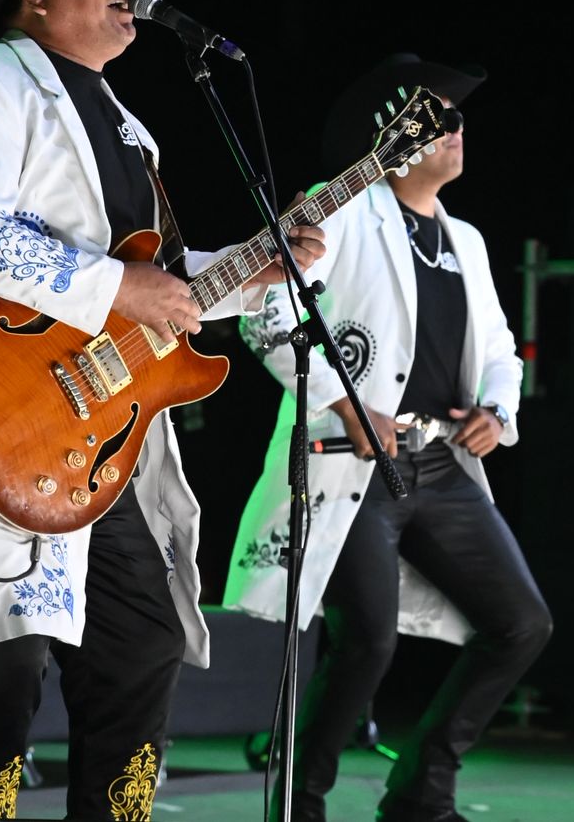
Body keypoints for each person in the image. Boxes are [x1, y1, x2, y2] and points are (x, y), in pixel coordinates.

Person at [0, 0, 326, 820]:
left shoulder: (126, 122)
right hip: (5, 415)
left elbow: (152, 278)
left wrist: (252, 270)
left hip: (102, 429)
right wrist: (125, 288)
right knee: (1, 675)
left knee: (141, 644)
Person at [226, 54, 553, 822]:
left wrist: (498, 412)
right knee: (367, 642)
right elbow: (265, 315)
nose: (457, 130)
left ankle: (422, 788)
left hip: (439, 463)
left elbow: (502, 350)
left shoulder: (464, 239)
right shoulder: (339, 212)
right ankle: (300, 804)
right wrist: (345, 403)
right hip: (354, 464)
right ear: (392, 133)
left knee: (522, 623)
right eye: (439, 117)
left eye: (458, 118)